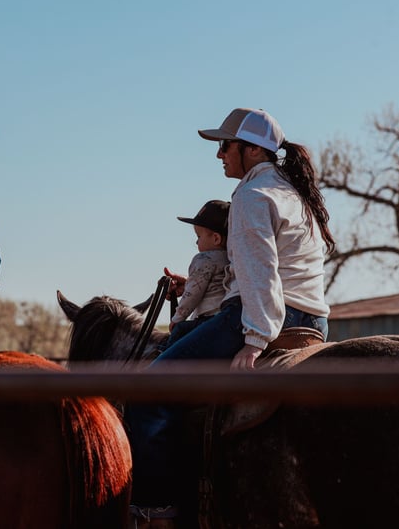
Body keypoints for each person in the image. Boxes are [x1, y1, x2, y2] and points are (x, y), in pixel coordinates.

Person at [126, 107, 335, 525]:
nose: (219, 154)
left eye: (225, 146)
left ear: (252, 150)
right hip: (313, 322)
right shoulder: (293, 193)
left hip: (262, 316)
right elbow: (266, 269)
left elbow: (261, 273)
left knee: (146, 393)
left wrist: (254, 339)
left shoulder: (252, 196)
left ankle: (154, 511)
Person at [162, 199, 230, 349]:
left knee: (179, 330)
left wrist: (177, 318)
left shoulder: (203, 259)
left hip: (208, 319)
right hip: (226, 318)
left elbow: (193, 294)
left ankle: (165, 355)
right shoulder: (231, 259)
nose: (196, 242)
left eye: (199, 237)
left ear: (216, 238)